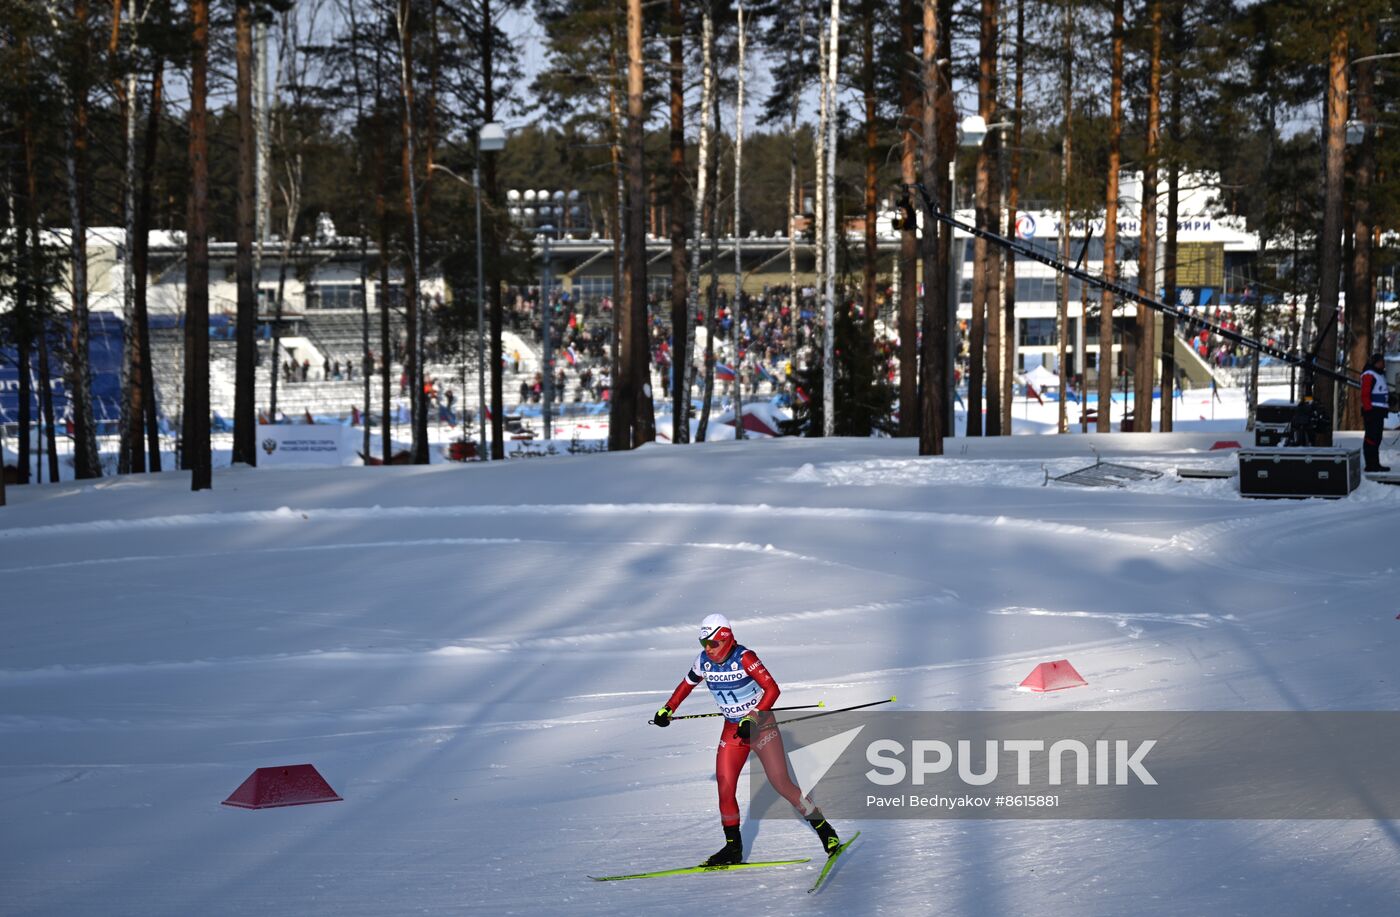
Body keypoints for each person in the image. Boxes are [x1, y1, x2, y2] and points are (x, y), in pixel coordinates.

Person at [652, 614, 841, 867]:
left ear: (726, 638)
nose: (708, 649)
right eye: (703, 643)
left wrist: (752, 717)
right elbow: (686, 685)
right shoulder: (703, 662)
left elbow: (772, 689)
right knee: (724, 786)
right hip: (732, 730)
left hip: (761, 728)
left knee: (782, 784)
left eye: (712, 643)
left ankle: (826, 831)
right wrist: (668, 709)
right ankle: (733, 849)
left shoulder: (744, 657)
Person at [1361, 352, 1392, 472]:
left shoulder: (1380, 374)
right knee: (1371, 438)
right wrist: (1368, 411)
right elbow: (1365, 395)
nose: (1383, 364)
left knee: (1377, 438)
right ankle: (1370, 464)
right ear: (1376, 362)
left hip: (1379, 411)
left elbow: (1379, 391)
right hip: (1372, 411)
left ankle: (1376, 463)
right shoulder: (1369, 374)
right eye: (1381, 361)